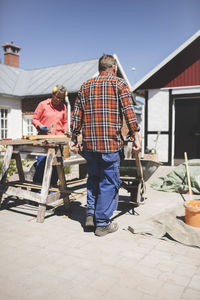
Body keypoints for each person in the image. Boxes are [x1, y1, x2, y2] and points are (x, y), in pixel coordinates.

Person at [70, 55, 141, 237]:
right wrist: (136, 136)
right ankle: (102, 224)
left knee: (93, 178)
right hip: (110, 144)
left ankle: (90, 215)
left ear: (100, 68)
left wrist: (74, 136)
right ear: (114, 68)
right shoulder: (119, 84)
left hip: (90, 146)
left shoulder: (85, 86)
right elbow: (128, 111)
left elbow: (77, 115)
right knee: (108, 182)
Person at [32, 85, 68, 185]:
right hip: (45, 141)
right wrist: (40, 126)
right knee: (41, 166)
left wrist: (66, 130)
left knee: (56, 167)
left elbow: (65, 122)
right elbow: (34, 119)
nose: (59, 100)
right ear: (53, 94)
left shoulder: (63, 107)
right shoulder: (43, 105)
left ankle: (51, 189)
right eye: (57, 97)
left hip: (58, 141)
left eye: (61, 98)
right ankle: (37, 191)